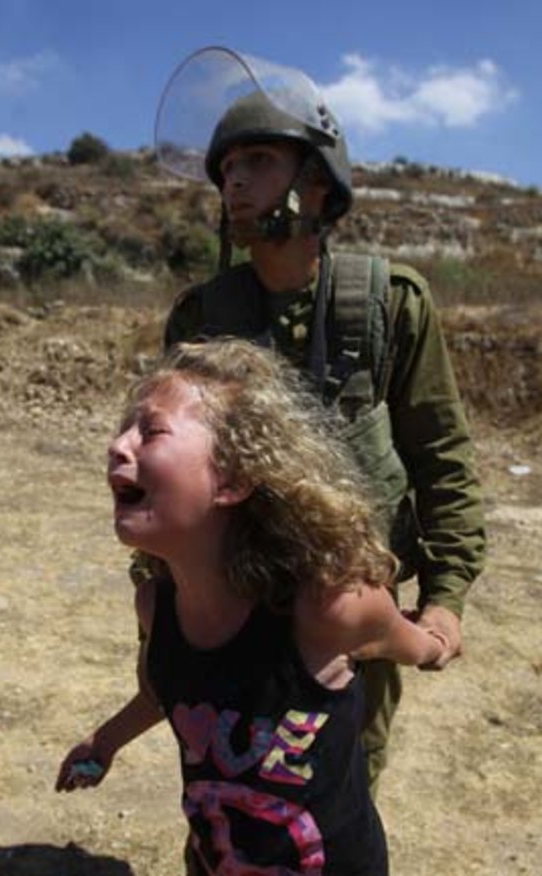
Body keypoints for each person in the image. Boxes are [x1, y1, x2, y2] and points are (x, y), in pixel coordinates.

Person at [141, 47, 487, 793]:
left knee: (340, 795)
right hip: (235, 608)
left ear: (317, 181)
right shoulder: (203, 320)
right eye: (227, 165)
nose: (232, 178)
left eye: (258, 159)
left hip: (350, 612)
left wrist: (446, 596)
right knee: (231, 795)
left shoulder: (393, 303)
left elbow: (442, 457)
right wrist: (155, 591)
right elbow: (167, 471)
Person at [57, 338, 450, 875]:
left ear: (234, 478)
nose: (118, 445)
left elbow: (409, 643)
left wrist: (439, 637)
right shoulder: (156, 605)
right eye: (124, 428)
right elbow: (165, 690)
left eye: (150, 431)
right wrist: (106, 741)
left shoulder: (326, 607)